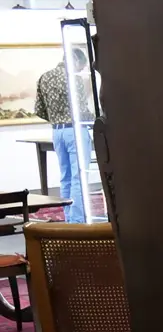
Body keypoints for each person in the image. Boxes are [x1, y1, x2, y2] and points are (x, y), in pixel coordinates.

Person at [34, 48, 95, 223]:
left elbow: (39, 109)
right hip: (74, 131)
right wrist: (96, 119)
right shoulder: (73, 79)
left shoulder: (44, 77)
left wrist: (56, 118)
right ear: (75, 61)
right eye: (81, 66)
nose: (80, 71)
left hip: (57, 132)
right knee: (79, 175)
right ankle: (77, 220)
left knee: (65, 176)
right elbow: (81, 110)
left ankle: (69, 217)